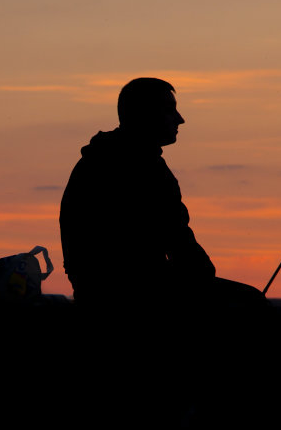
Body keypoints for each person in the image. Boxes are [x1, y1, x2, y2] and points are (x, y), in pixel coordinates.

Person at [59, 77, 269, 317]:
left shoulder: (96, 159)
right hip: (136, 293)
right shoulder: (144, 167)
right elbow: (178, 240)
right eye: (170, 110)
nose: (180, 119)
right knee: (252, 302)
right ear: (146, 114)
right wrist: (203, 275)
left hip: (98, 291)